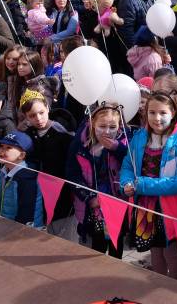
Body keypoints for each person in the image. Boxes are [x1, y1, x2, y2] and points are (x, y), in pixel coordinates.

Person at [120, 91, 177, 281]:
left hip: (169, 210)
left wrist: (145, 185)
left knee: (171, 253)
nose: (157, 118)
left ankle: (175, 288)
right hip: (145, 207)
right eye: (152, 112)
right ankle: (158, 289)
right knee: (154, 251)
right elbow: (128, 165)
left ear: (173, 113)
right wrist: (126, 182)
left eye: (163, 113)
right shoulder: (139, 138)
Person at [66, 102, 129, 258]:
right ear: (93, 123)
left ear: (119, 126)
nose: (107, 131)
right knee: (97, 243)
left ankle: (115, 270)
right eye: (102, 126)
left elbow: (131, 165)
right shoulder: (80, 144)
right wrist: (89, 197)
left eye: (112, 127)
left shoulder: (125, 142)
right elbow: (72, 174)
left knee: (116, 242)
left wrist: (117, 149)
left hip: (116, 202)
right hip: (94, 204)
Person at [19, 89, 75, 238]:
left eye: (41, 112)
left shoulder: (62, 133)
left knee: (62, 226)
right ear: (26, 117)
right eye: (32, 116)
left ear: (48, 108)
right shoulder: (28, 134)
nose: (38, 118)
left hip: (61, 189)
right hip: (40, 188)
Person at [0, 131, 44, 227]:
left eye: (8, 148)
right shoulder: (2, 171)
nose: (1, 150)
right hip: (5, 223)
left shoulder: (27, 178)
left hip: (23, 229)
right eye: (1, 146)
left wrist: (17, 230)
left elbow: (26, 211)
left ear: (21, 155)